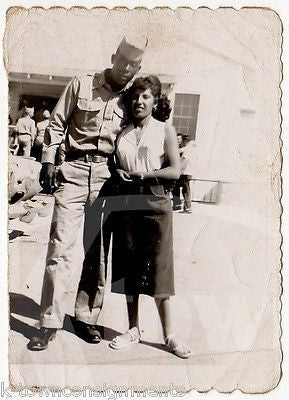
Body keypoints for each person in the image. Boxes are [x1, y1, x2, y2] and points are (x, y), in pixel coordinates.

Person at [27, 35, 148, 351]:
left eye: (134, 66)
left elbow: (143, 134)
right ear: (113, 58)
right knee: (60, 247)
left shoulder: (132, 98)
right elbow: (55, 126)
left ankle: (86, 317)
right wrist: (49, 161)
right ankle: (49, 322)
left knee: (97, 252)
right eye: (123, 63)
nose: (127, 71)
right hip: (74, 173)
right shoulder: (82, 85)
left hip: (109, 177)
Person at [108, 75, 192, 358]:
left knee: (159, 268)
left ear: (155, 101)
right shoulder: (123, 132)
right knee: (128, 266)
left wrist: (144, 174)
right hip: (126, 201)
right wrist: (118, 172)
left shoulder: (164, 130)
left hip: (155, 201)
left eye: (145, 97)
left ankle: (169, 335)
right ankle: (133, 329)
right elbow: (116, 164)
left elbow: (174, 171)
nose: (139, 101)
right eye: (135, 97)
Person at [172, 134, 193, 213]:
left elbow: (184, 161)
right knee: (176, 189)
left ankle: (187, 208)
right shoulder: (184, 148)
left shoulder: (187, 149)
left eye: (179, 139)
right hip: (182, 173)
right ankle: (177, 206)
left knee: (185, 190)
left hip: (184, 173)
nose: (178, 141)